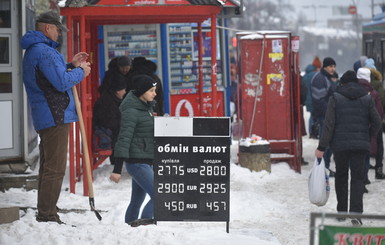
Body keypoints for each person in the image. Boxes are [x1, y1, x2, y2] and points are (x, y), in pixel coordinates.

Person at [20, 11, 91, 224]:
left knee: (48, 166)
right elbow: (60, 83)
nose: (60, 33)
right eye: (58, 29)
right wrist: (81, 73)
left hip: (46, 114)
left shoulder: (36, 50)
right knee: (55, 168)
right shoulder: (44, 52)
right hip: (55, 115)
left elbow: (51, 77)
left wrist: (71, 65)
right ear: (47, 28)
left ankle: (47, 208)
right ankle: (47, 214)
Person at [315, 70, 381, 226]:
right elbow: (377, 121)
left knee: (341, 176)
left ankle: (342, 212)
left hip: (340, 146)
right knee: (358, 178)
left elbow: (329, 125)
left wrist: (322, 147)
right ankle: (356, 214)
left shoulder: (335, 98)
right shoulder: (367, 98)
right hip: (360, 145)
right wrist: (368, 135)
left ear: (342, 83)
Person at [109, 74, 157, 227]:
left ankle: (129, 228)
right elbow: (123, 139)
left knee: (137, 200)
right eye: (151, 90)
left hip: (145, 160)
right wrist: (117, 169)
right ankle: (145, 226)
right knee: (159, 196)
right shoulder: (132, 111)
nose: (154, 94)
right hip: (137, 163)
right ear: (142, 92)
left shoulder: (146, 108)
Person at [356, 68, 384, 189]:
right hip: (368, 129)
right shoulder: (374, 93)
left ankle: (357, 181)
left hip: (354, 129)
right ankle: (364, 178)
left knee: (356, 157)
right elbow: (379, 113)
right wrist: (373, 131)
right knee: (366, 155)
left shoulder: (351, 91)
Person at [311, 57, 338, 176]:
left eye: (334, 66)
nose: (333, 69)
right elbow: (319, 100)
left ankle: (324, 166)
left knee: (328, 141)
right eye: (330, 66)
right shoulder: (320, 79)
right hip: (324, 116)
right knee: (325, 141)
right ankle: (323, 167)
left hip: (328, 114)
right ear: (325, 67)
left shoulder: (326, 78)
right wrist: (330, 111)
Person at [93, 73, 127, 166]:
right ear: (117, 90)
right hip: (107, 133)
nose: (125, 92)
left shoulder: (112, 99)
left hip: (109, 131)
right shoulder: (107, 102)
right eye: (123, 89)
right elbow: (109, 122)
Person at [303, 56, 321, 138]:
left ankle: (311, 132)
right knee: (317, 116)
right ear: (317, 67)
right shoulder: (317, 75)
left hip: (308, 99)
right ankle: (316, 132)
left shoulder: (306, 76)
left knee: (312, 116)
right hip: (315, 99)